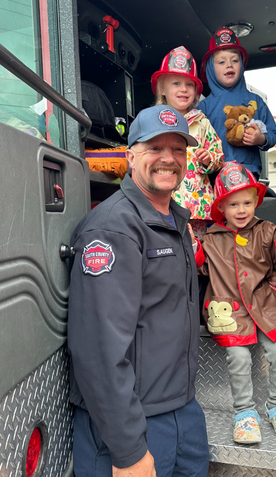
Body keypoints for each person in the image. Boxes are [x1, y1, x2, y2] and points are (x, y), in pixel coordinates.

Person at [67, 105, 209, 477]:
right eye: (154, 148)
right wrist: (128, 448)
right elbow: (98, 350)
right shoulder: (113, 229)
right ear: (130, 156)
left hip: (184, 412)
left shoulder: (174, 219)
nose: (168, 159)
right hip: (133, 423)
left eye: (178, 149)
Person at [192, 162, 276, 444]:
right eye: (233, 205)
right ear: (222, 209)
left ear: (256, 202)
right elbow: (198, 264)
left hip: (265, 306)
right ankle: (244, 413)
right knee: (239, 358)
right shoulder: (211, 239)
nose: (241, 211)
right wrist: (191, 248)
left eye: (246, 203)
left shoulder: (265, 230)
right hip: (229, 311)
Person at [151, 45, 224, 239]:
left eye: (189, 84)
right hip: (163, 200)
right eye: (176, 83)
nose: (183, 89)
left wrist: (209, 159)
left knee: (196, 249)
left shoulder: (202, 122)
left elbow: (218, 155)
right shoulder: (153, 119)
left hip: (197, 204)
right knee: (167, 244)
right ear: (162, 88)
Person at [198, 26, 276, 183]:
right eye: (221, 62)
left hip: (248, 171)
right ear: (210, 69)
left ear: (242, 65)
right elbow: (198, 143)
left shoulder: (255, 101)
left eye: (235, 60)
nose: (229, 65)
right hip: (215, 174)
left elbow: (273, 134)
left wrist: (260, 138)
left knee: (245, 207)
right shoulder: (204, 106)